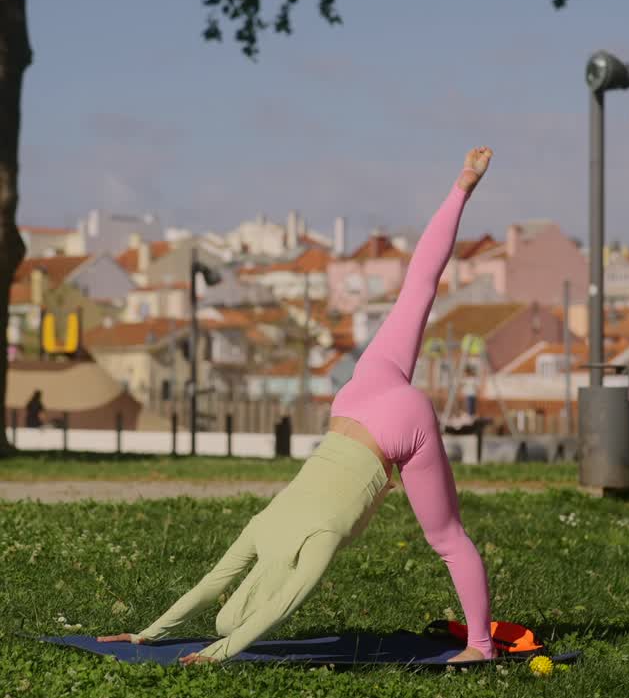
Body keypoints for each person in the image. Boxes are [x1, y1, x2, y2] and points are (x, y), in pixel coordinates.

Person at [99, 148, 497, 666]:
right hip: (359, 395)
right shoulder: (266, 523)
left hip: (396, 424)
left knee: (447, 537)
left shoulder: (316, 541)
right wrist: (149, 634)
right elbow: (214, 584)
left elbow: (280, 606)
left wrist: (211, 650)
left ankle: (482, 649)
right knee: (415, 291)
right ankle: (461, 187)